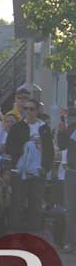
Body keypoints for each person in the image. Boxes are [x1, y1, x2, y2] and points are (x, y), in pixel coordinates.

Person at [6, 98, 55, 234]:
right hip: (21, 171)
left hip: (38, 171)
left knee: (36, 206)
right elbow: (9, 148)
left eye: (31, 109)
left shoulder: (44, 128)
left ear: (37, 110)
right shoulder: (18, 127)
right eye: (25, 108)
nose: (28, 111)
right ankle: (15, 236)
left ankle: (34, 236)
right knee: (18, 205)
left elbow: (50, 151)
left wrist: (45, 168)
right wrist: (26, 145)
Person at [57, 108, 75, 253]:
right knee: (71, 209)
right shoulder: (72, 128)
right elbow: (62, 145)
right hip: (71, 173)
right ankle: (71, 241)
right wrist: (61, 131)